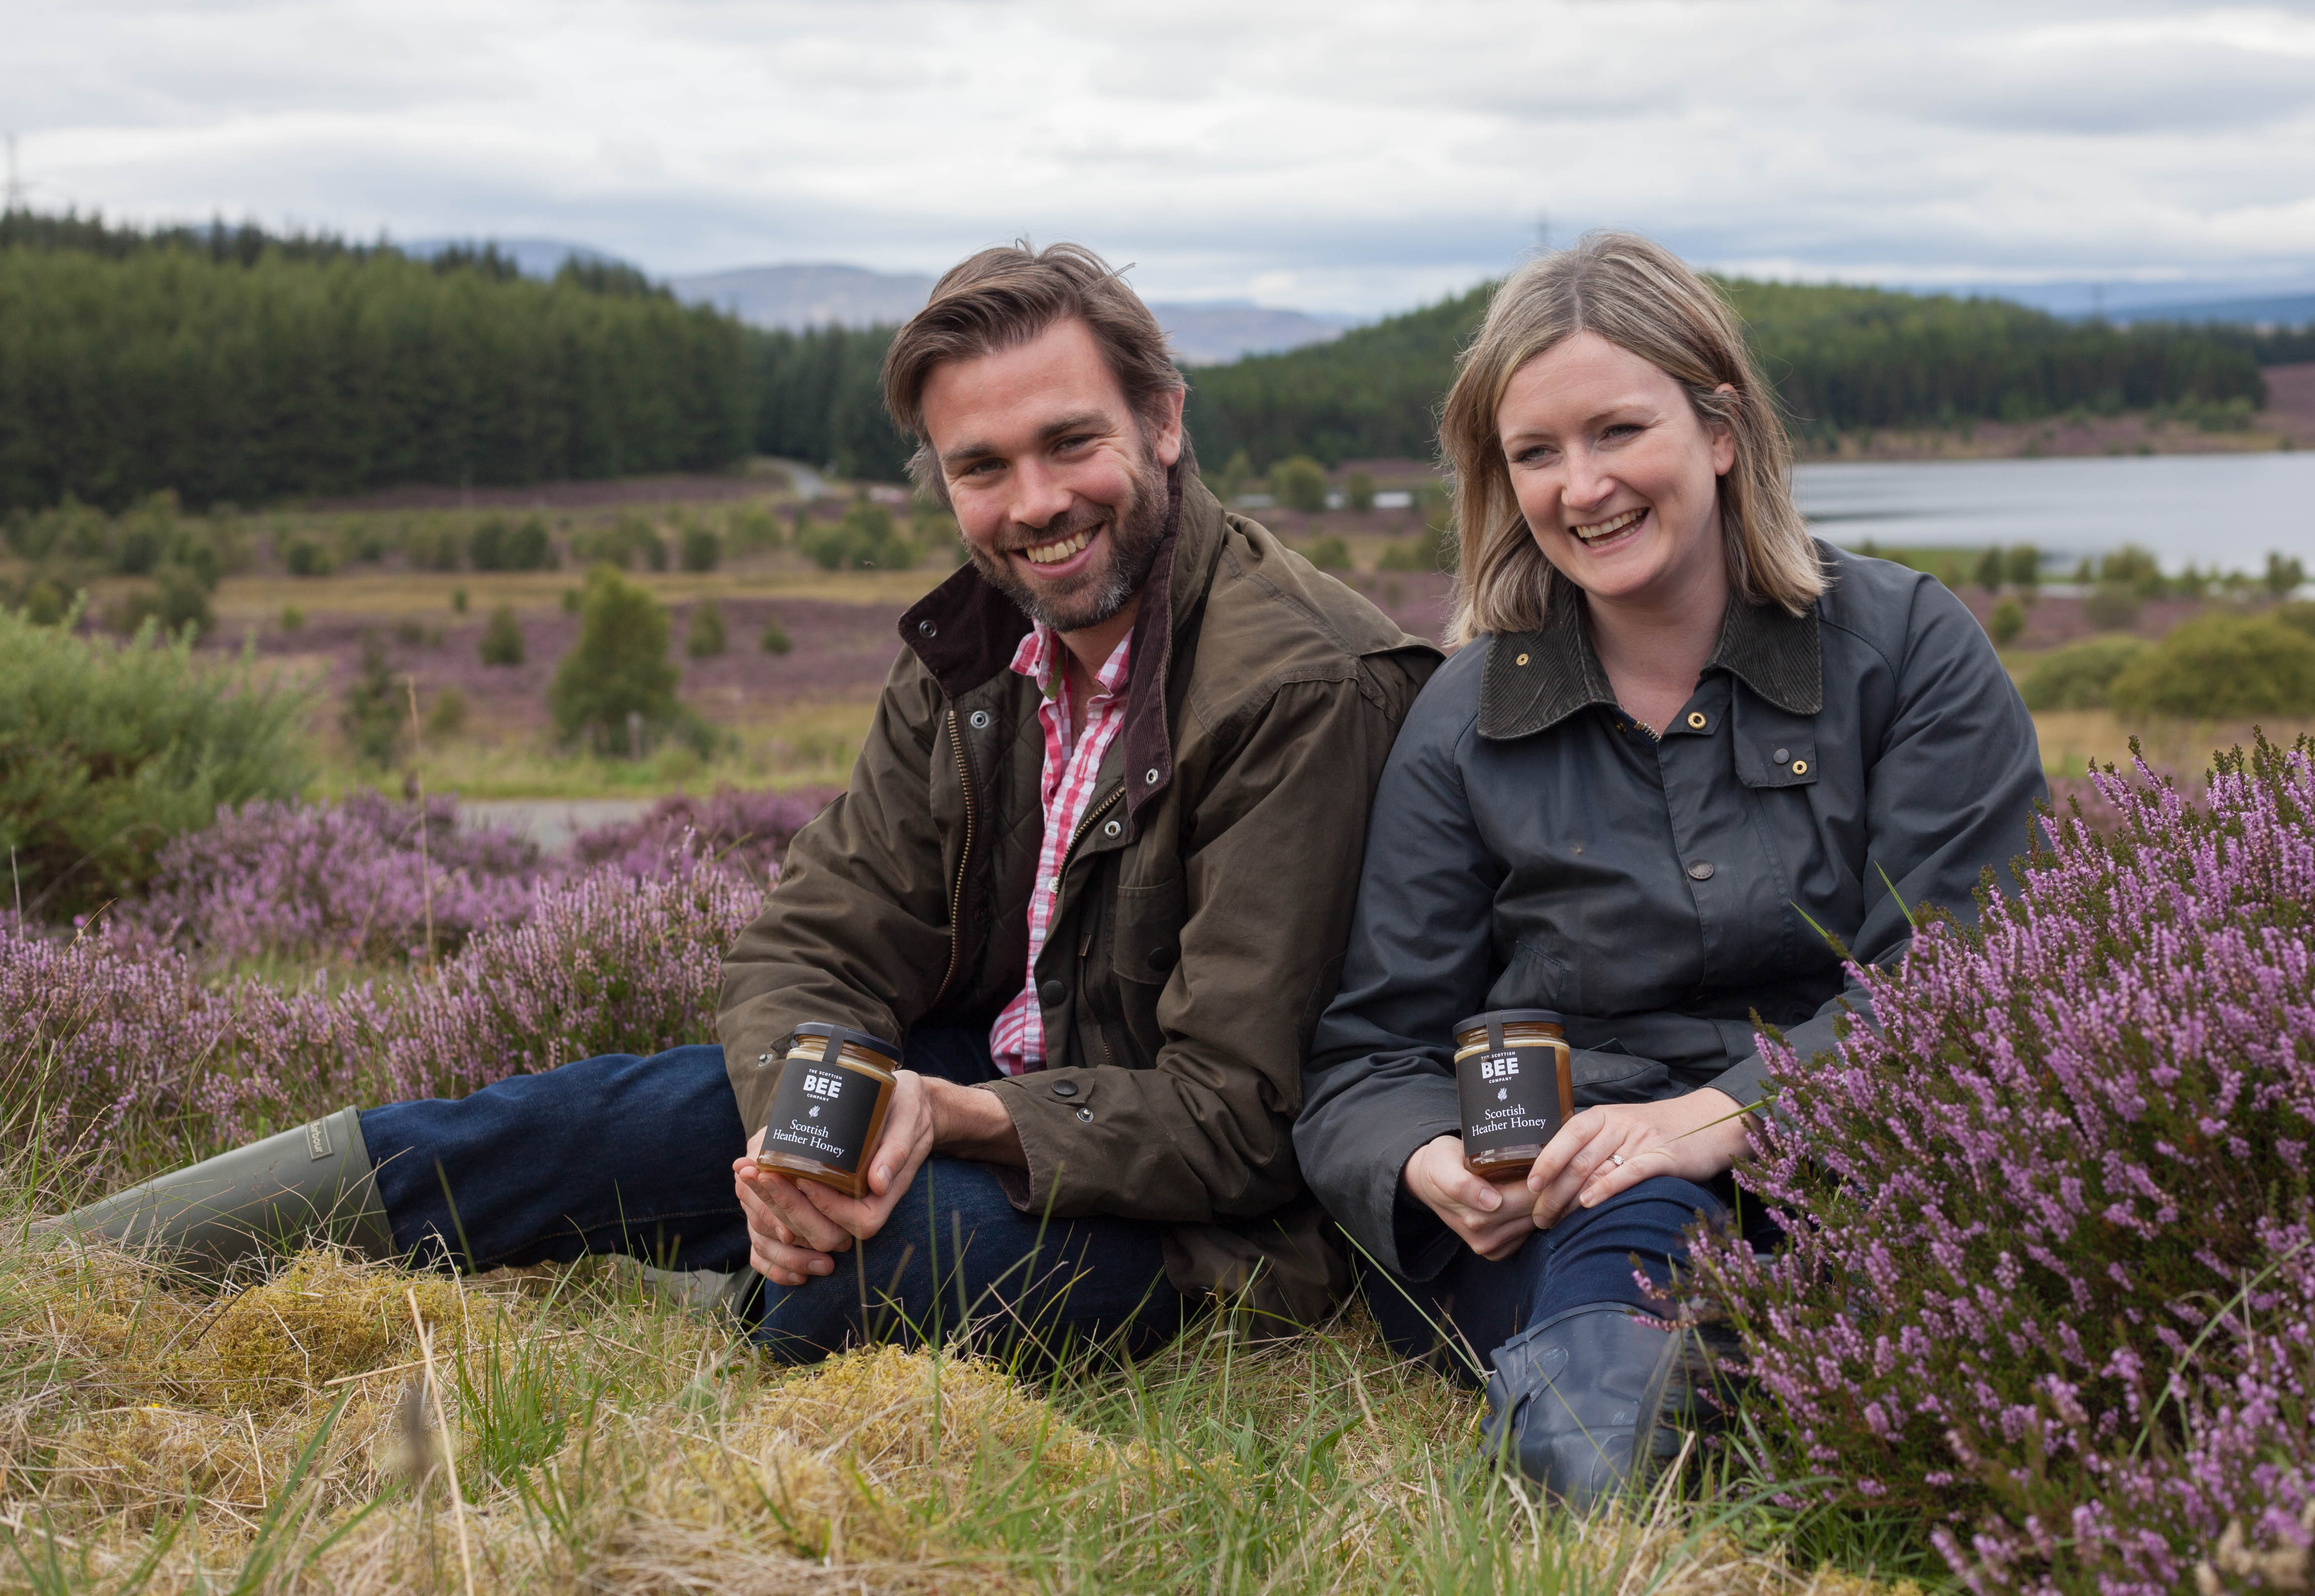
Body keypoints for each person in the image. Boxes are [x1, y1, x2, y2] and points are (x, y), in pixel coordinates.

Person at [62, 242, 1441, 1362]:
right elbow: (814, 946)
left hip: (1192, 1221)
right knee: (576, 1123)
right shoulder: (977, 650)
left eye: (1067, 443)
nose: (1033, 503)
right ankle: (72, 1275)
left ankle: (731, 1287)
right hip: (974, 1093)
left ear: (1162, 422)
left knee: (868, 1276)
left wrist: (944, 1124)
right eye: (980, 467)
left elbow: (1241, 1116)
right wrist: (802, 1139)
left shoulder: (1299, 682)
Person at [1293, 232, 2046, 1505]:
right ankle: (1635, 1461)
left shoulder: (1907, 647)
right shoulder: (1465, 713)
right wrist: (1427, 1161)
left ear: (1720, 430)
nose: (1581, 487)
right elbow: (1374, 1052)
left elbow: (1962, 976)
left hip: (1869, 1158)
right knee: (1618, 1329)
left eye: (1617, 432)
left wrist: (1723, 1116)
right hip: (1577, 1197)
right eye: (1535, 454)